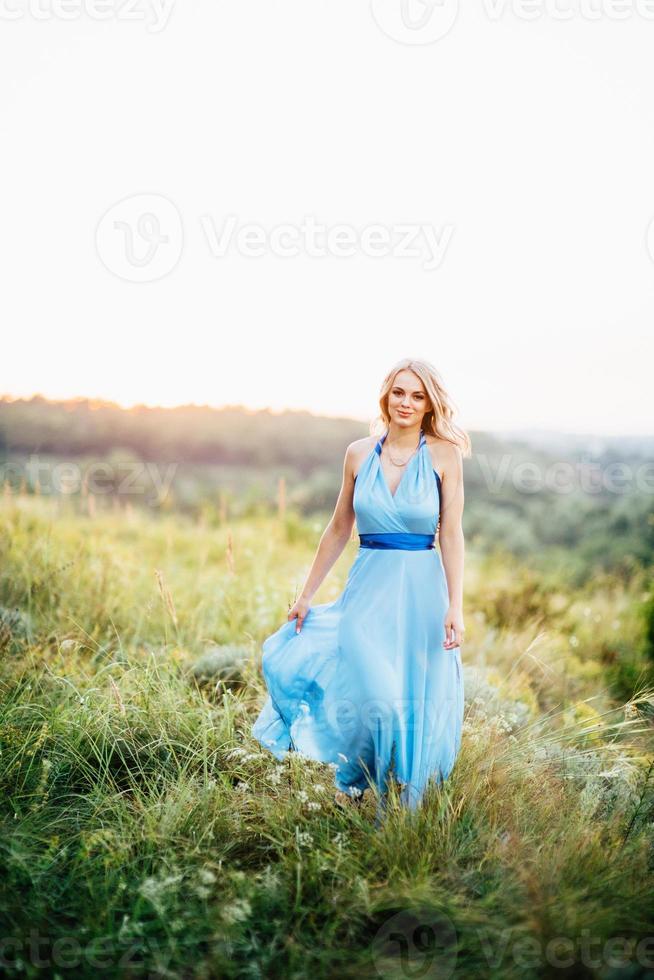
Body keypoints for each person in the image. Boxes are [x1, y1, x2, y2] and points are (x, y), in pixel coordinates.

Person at [252, 356, 470, 818]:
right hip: (366, 593)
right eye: (399, 392)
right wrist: (306, 594)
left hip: (421, 598)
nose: (406, 403)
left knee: (409, 699)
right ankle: (352, 780)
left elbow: (451, 533)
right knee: (375, 699)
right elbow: (337, 529)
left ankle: (397, 809)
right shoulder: (357, 453)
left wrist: (456, 606)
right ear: (385, 396)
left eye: (417, 395)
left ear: (429, 404)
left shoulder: (445, 456)